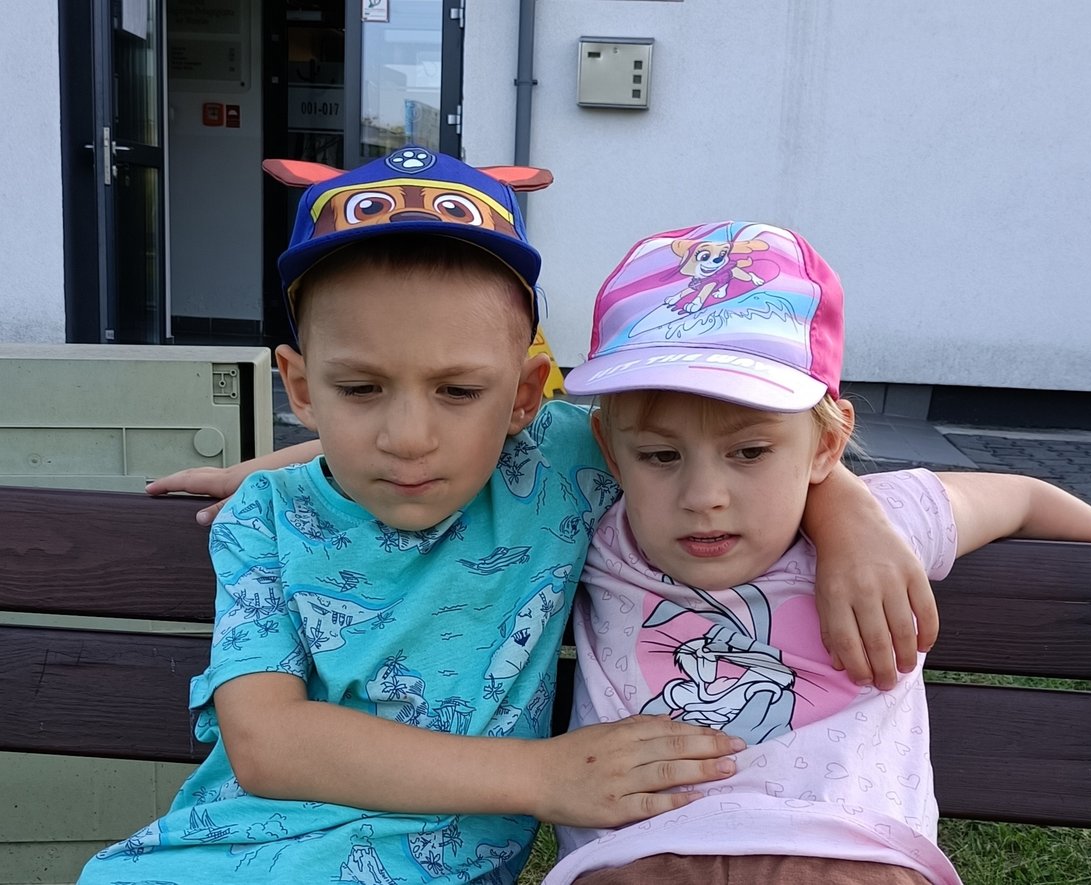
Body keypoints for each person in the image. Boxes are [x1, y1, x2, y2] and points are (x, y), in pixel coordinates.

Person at [79, 151, 932, 885]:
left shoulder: (555, 467)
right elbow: (268, 742)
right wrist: (542, 775)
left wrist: (847, 509)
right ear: (300, 387)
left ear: (525, 395)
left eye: (458, 391)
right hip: (210, 858)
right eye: (360, 388)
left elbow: (729, 443)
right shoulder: (261, 521)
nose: (408, 437)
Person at [541, 221, 1091, 885]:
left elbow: (1027, 499)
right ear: (611, 451)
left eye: (750, 452)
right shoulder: (591, 528)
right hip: (638, 860)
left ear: (826, 445)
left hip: (850, 857)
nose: (704, 496)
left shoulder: (888, 524)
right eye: (659, 455)